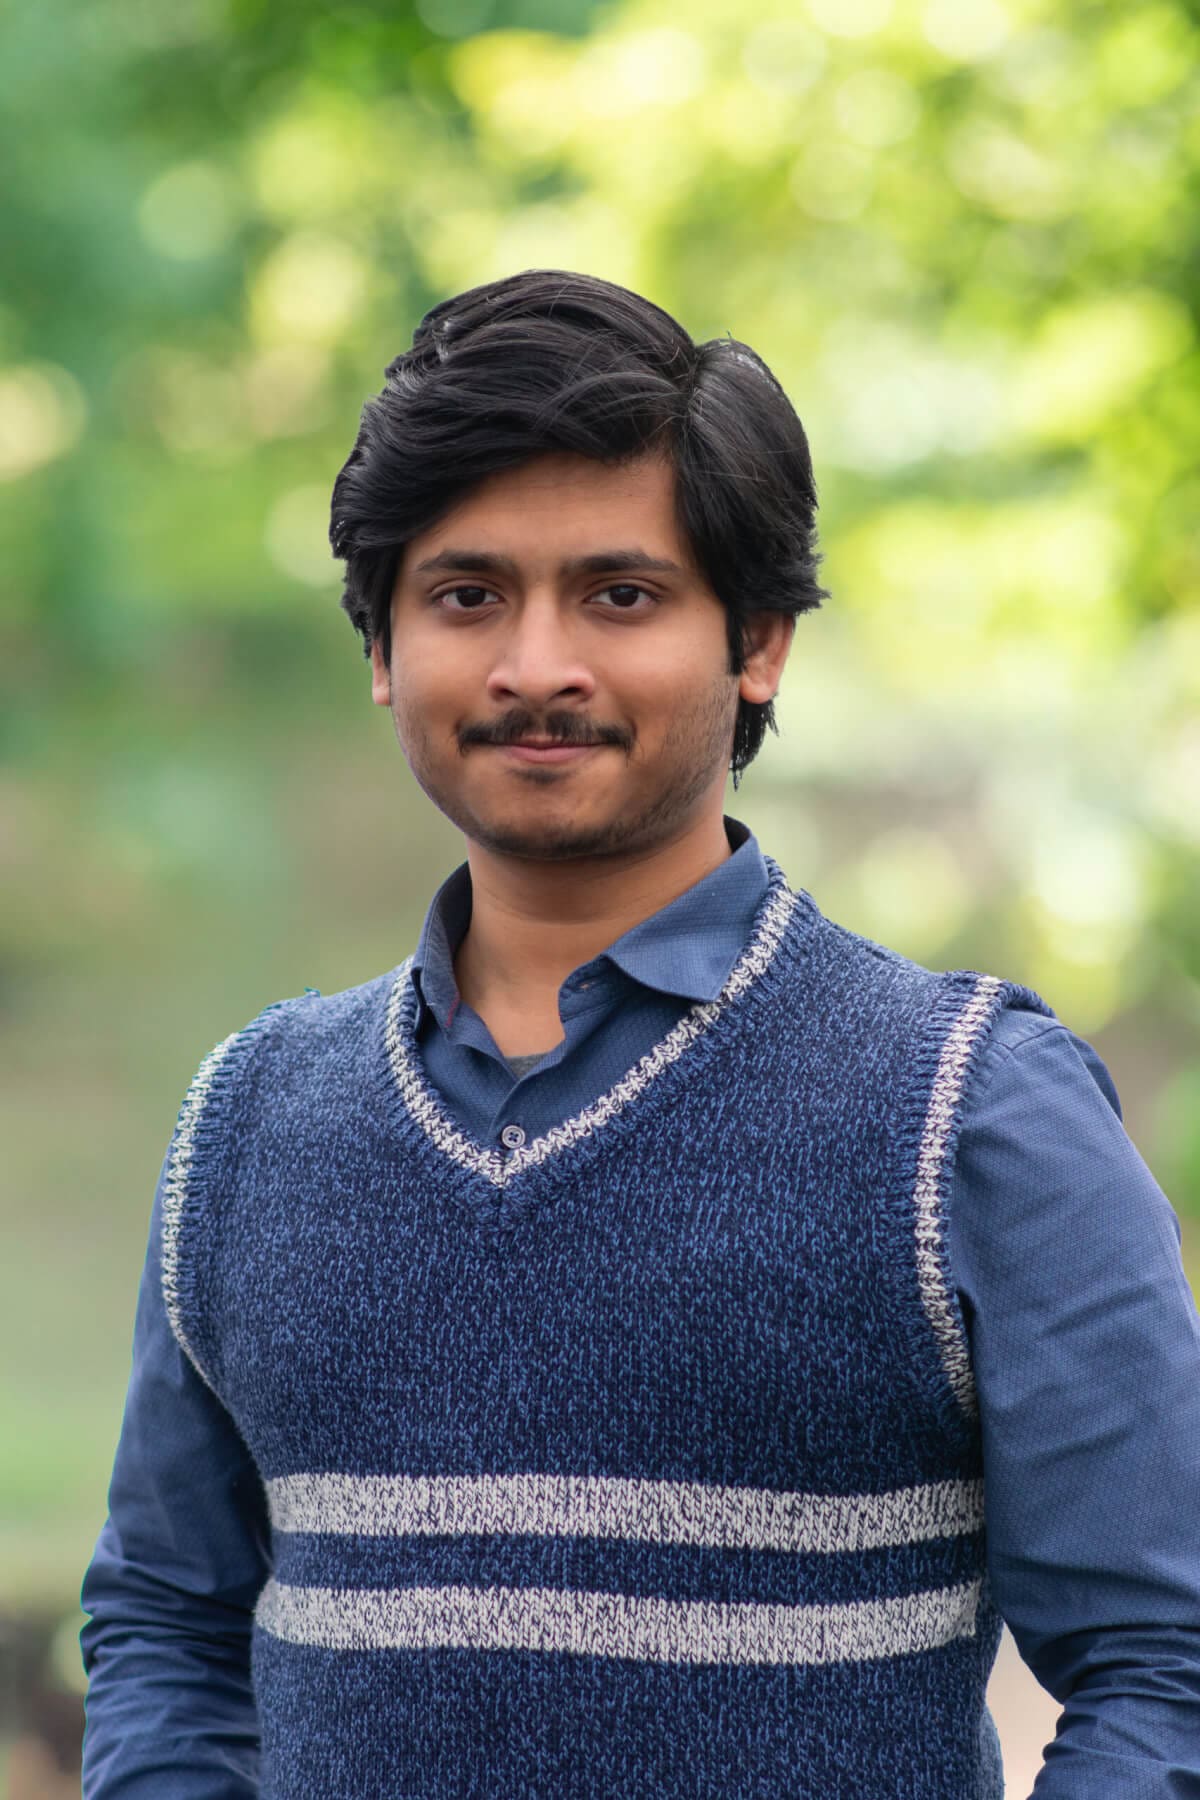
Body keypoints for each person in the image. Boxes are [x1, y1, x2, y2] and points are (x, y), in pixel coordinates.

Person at [80, 270, 1200, 1798]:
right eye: (468, 596)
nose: (538, 665)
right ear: (383, 649)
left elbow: (1164, 1672)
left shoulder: (972, 1115)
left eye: (620, 594)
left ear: (758, 644)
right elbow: (165, 1622)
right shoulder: (248, 1125)